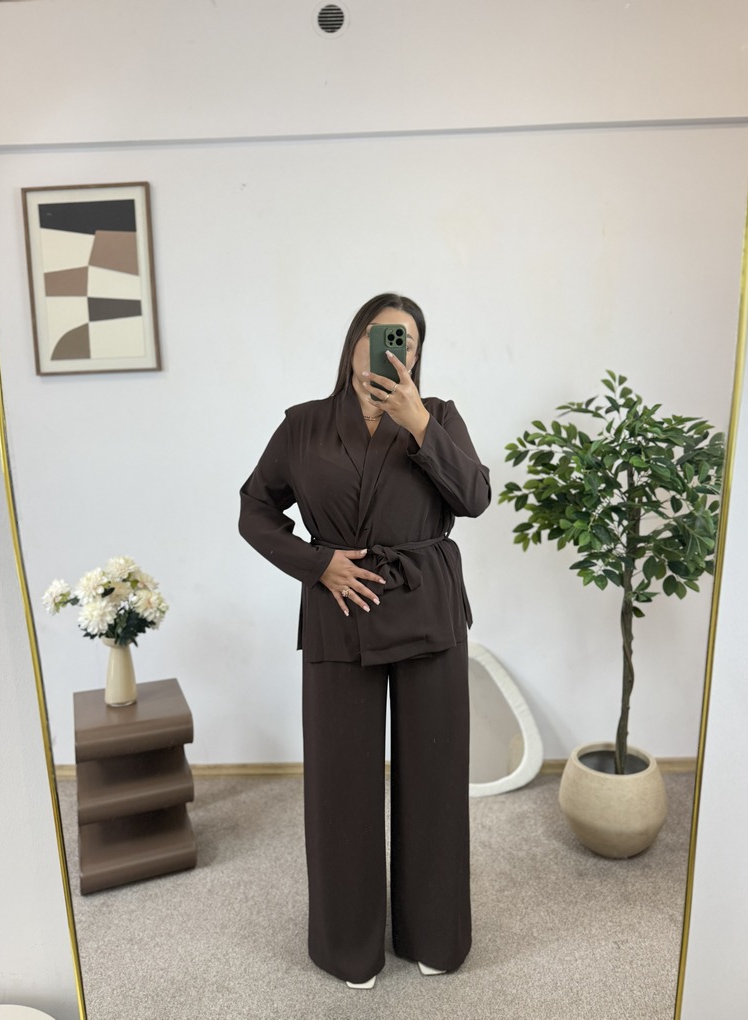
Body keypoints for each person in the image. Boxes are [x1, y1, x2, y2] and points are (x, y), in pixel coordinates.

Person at [238, 293, 490, 988]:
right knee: (340, 784)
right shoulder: (304, 425)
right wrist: (316, 563)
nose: (390, 349)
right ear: (354, 341)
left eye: (405, 341)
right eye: (380, 336)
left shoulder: (438, 416)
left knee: (435, 776)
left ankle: (435, 934)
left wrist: (418, 424)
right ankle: (347, 946)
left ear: (416, 356)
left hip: (426, 606)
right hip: (338, 608)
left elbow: (474, 498)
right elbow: (255, 509)